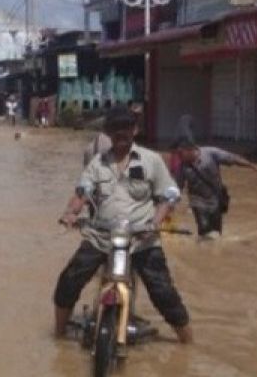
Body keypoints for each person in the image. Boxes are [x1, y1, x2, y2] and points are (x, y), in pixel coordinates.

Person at [54, 107, 193, 343]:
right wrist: (70, 213)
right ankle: (58, 334)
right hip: (101, 236)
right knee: (69, 281)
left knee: (164, 293)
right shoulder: (97, 163)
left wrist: (155, 222)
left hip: (142, 239)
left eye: (126, 128)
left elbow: (169, 194)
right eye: (115, 128)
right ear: (108, 132)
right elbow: (82, 192)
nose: (121, 133)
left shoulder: (152, 160)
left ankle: (188, 343)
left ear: (135, 130)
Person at [173, 139, 257, 239]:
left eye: (180, 153)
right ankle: (205, 249)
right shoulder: (182, 167)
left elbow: (233, 159)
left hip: (215, 199)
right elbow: (178, 186)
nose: (179, 157)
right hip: (197, 201)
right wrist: (168, 204)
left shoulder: (210, 153)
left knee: (216, 233)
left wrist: (253, 166)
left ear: (190, 150)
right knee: (204, 230)